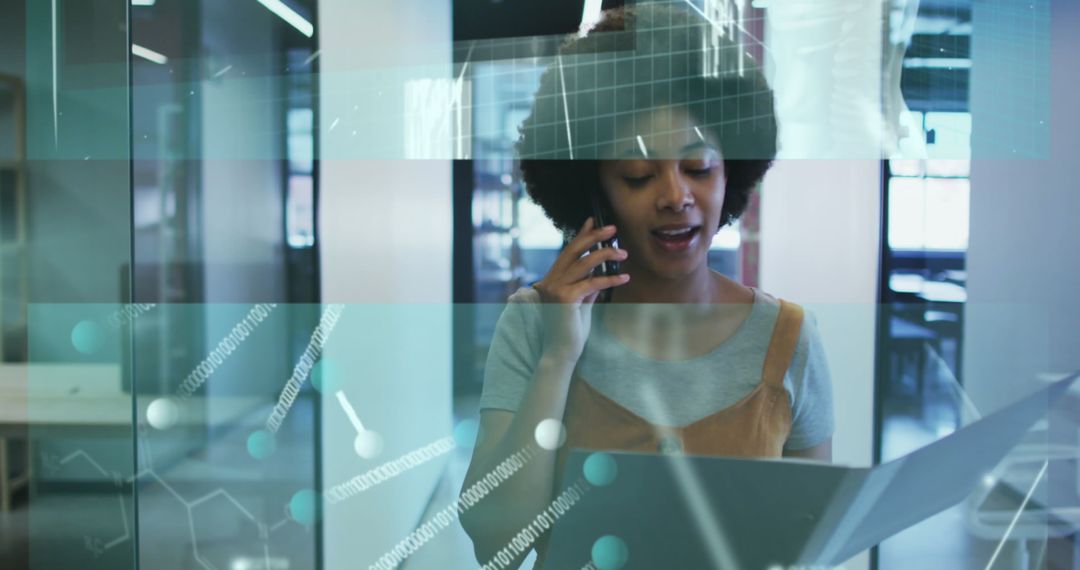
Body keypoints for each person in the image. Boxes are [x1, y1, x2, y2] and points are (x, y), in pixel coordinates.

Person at [460, 3, 834, 568]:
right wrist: (557, 357)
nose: (675, 195)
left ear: (730, 172)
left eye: (699, 168)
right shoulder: (536, 323)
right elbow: (496, 538)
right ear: (595, 190)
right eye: (638, 175)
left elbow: (811, 544)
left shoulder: (788, 339)